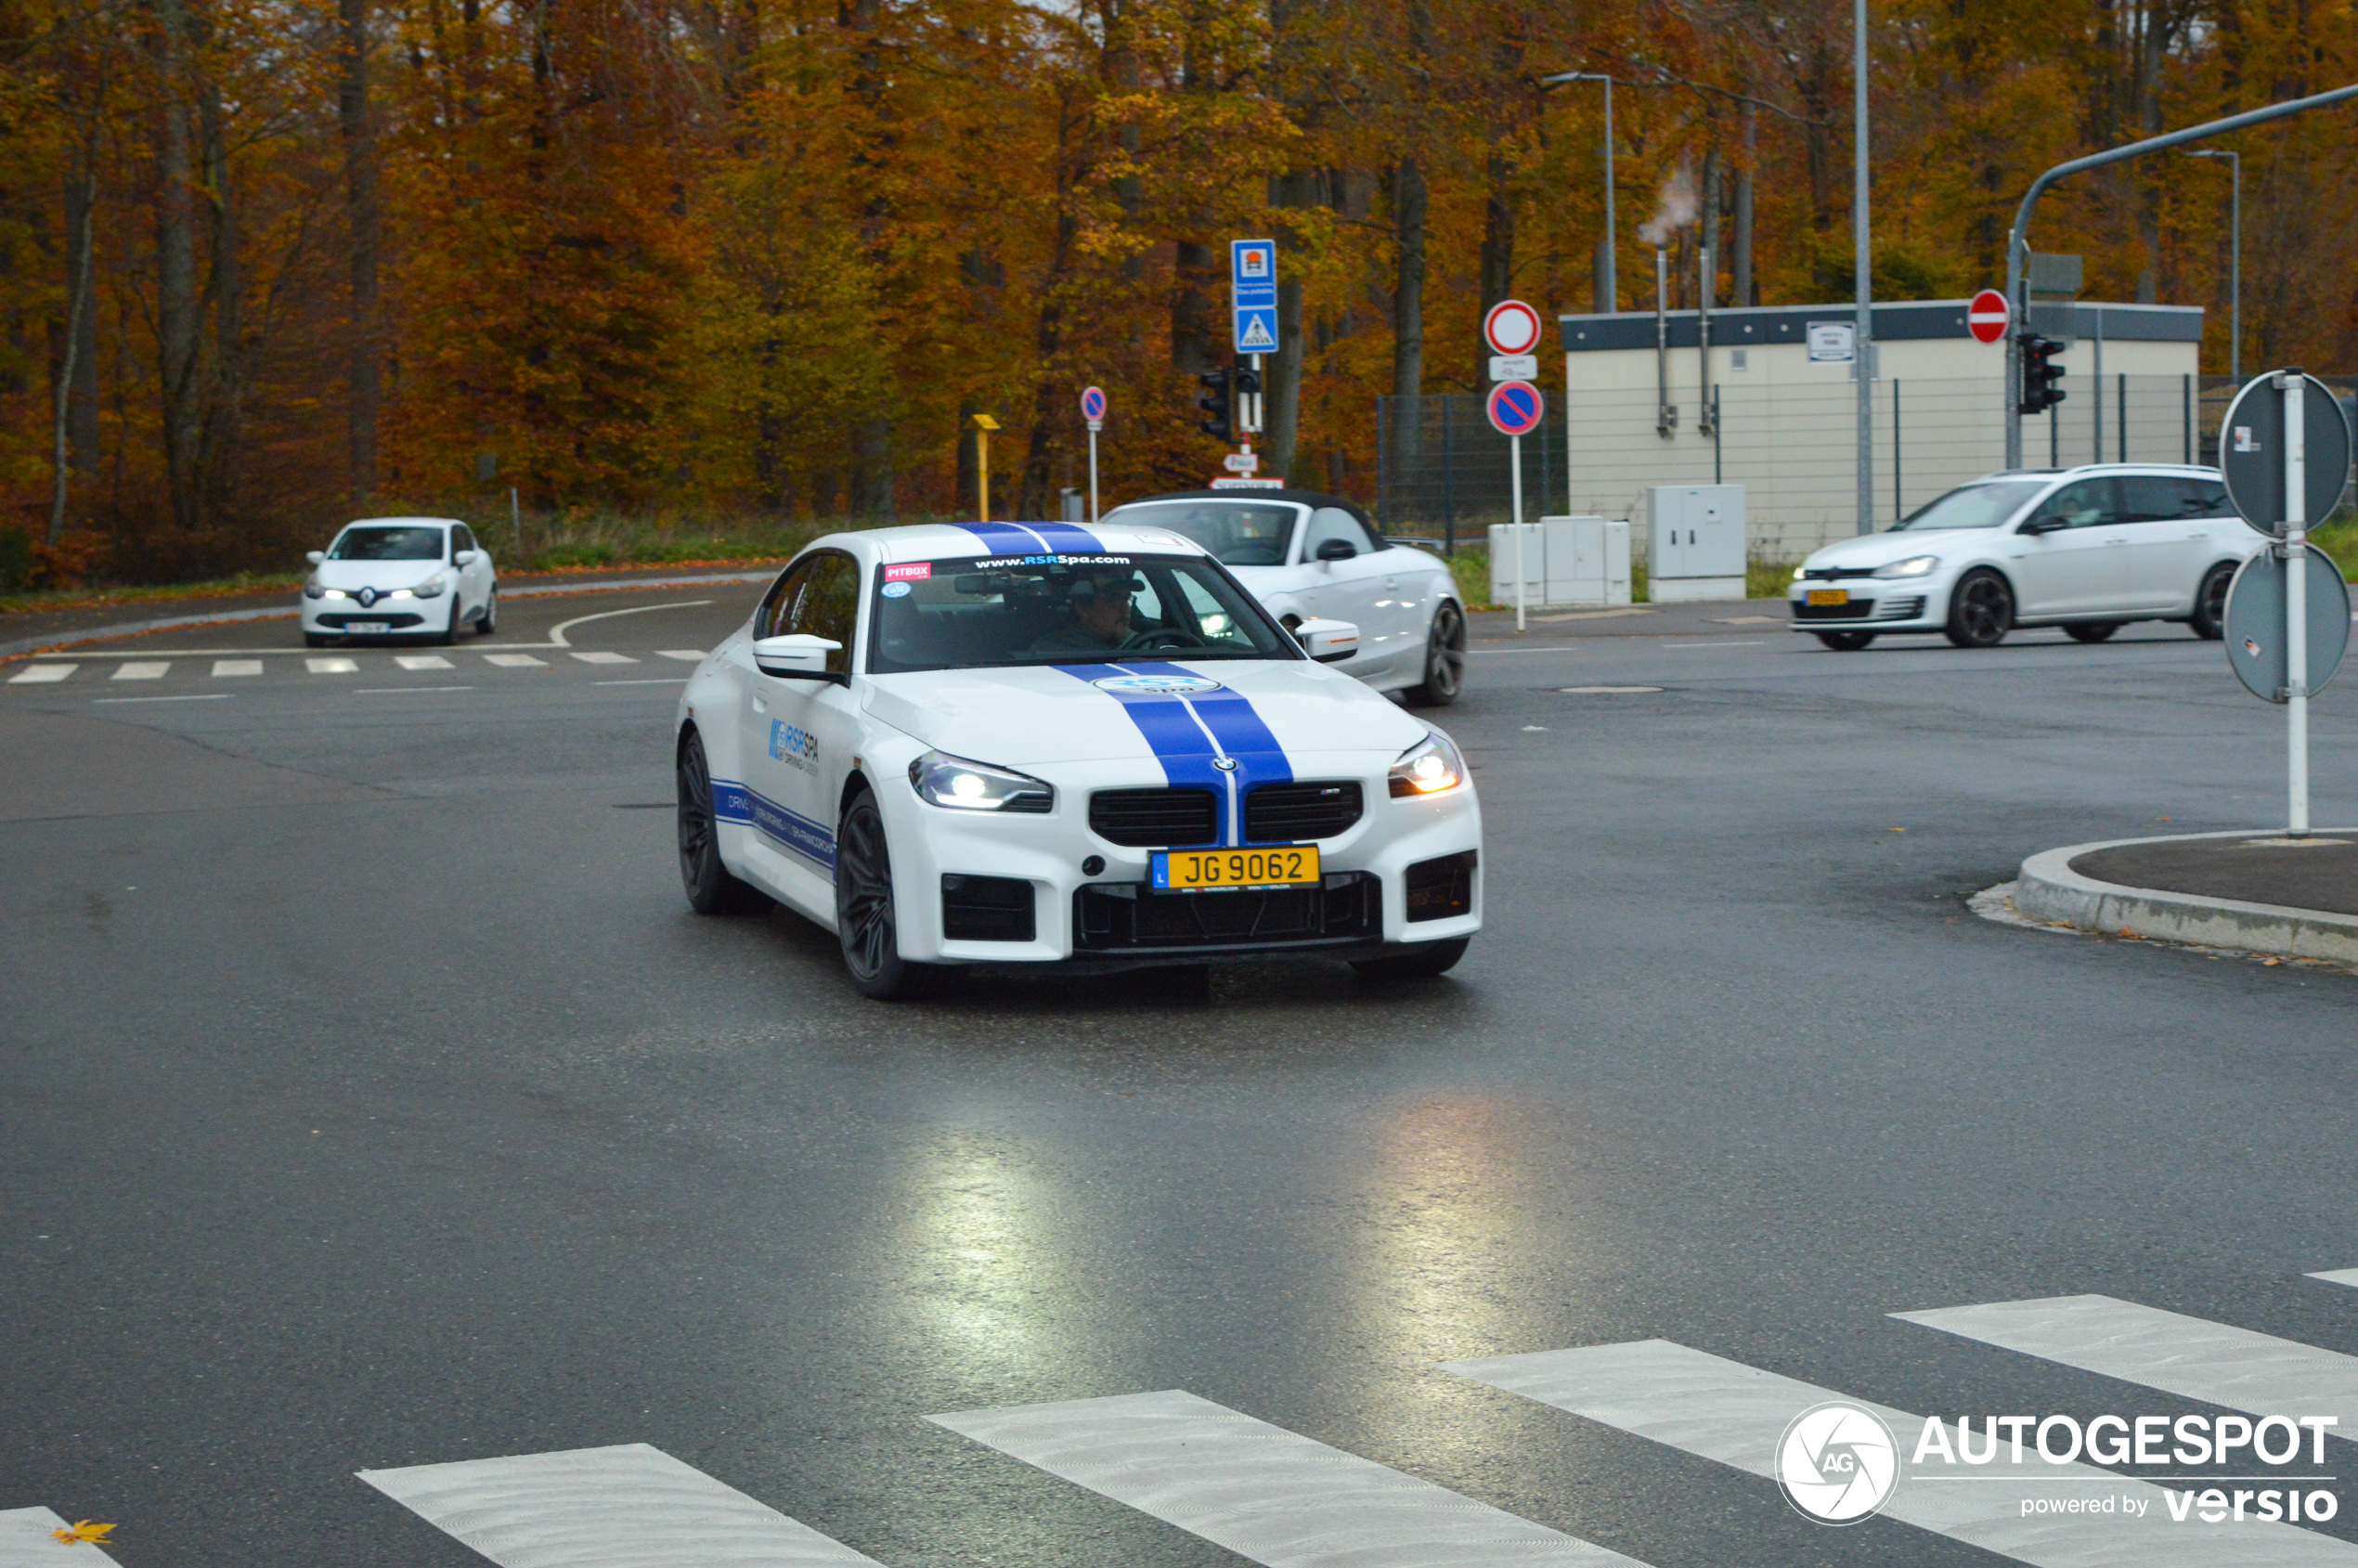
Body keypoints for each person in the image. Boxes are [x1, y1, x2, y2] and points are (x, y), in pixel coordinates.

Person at [1028, 569, 1142, 655]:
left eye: (1126, 599)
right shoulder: (1049, 651)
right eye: (1114, 600)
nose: (1126, 609)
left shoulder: (1143, 643)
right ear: (1082, 609)